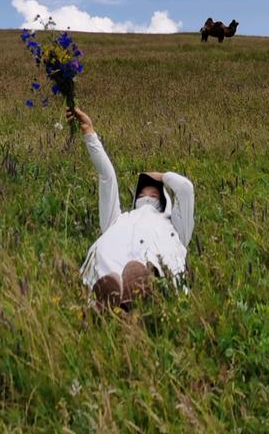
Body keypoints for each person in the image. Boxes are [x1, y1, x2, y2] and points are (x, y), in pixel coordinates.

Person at [67, 105, 195, 307]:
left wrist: (160, 176)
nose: (147, 192)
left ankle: (132, 298)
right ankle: (115, 301)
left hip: (153, 268)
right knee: (112, 276)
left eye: (154, 191)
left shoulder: (176, 227)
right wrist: (90, 133)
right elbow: (107, 177)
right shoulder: (117, 218)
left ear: (164, 199)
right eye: (143, 191)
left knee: (138, 272)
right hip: (110, 270)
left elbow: (185, 189)